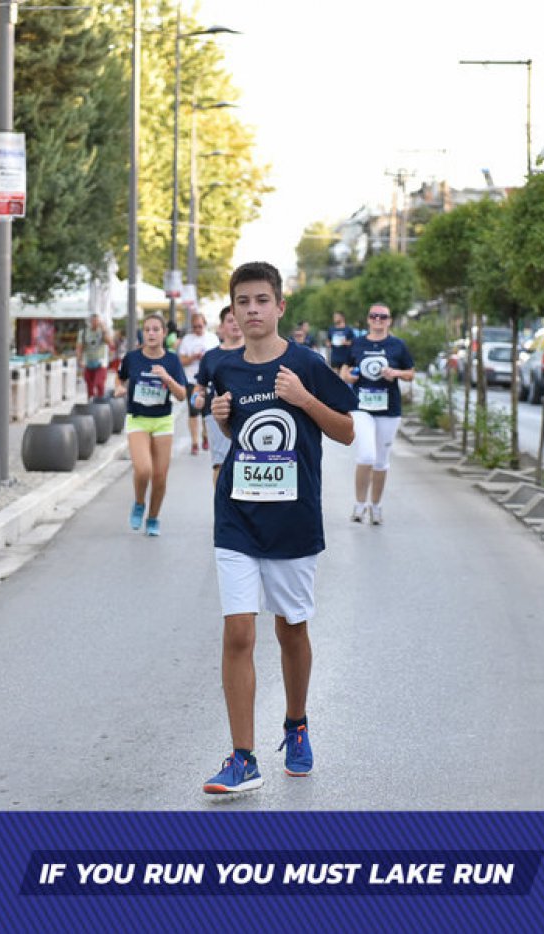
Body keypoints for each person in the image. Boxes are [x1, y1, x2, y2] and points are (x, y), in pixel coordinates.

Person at [203, 261, 356, 794]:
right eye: (242, 301)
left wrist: (304, 399)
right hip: (237, 517)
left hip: (293, 520)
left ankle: (296, 724)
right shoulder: (224, 369)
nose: (252, 310)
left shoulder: (306, 364)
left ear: (280, 306)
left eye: (261, 300)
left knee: (291, 629)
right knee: (238, 632)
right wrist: (223, 421)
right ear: (232, 310)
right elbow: (242, 437)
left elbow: (346, 431)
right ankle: (242, 758)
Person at [340, 304, 415, 526]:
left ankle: (376, 506)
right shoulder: (358, 343)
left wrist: (395, 373)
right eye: (374, 316)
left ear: (389, 320)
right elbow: (344, 369)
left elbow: (411, 373)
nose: (378, 320)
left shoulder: (398, 345)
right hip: (361, 408)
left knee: (381, 461)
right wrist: (348, 377)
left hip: (389, 410)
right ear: (368, 319)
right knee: (366, 456)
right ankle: (359, 505)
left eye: (383, 316)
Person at [115, 313, 187, 537]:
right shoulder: (132, 358)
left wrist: (167, 378)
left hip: (162, 420)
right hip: (138, 418)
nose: (151, 334)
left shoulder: (172, 361)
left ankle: (153, 517)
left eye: (156, 329)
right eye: (147, 330)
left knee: (160, 476)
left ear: (164, 334)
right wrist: (119, 387)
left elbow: (182, 395)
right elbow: (120, 377)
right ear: (143, 333)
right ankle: (139, 503)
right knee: (144, 469)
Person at [191, 304, 243, 483]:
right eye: (230, 320)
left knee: (246, 463)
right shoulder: (210, 357)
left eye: (238, 320)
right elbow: (199, 387)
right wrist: (196, 398)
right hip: (218, 415)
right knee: (221, 464)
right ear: (221, 327)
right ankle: (221, 501)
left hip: (248, 413)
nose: (235, 324)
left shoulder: (255, 352)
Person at [176, 310, 220, 455]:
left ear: (205, 325)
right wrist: (193, 357)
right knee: (193, 411)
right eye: (194, 327)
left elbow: (218, 359)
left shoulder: (212, 338)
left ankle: (205, 436)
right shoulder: (187, 340)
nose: (197, 329)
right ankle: (195, 442)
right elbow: (181, 360)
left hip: (209, 381)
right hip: (192, 381)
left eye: (200, 326)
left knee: (207, 412)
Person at [76, 312, 114, 400]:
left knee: (99, 383)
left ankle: (101, 402)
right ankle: (91, 403)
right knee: (89, 386)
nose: (95, 323)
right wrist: (79, 359)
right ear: (90, 322)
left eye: (97, 321)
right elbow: (79, 347)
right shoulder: (83, 332)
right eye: (93, 321)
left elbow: (110, 343)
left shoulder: (102, 332)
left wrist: (104, 329)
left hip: (101, 363)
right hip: (88, 362)